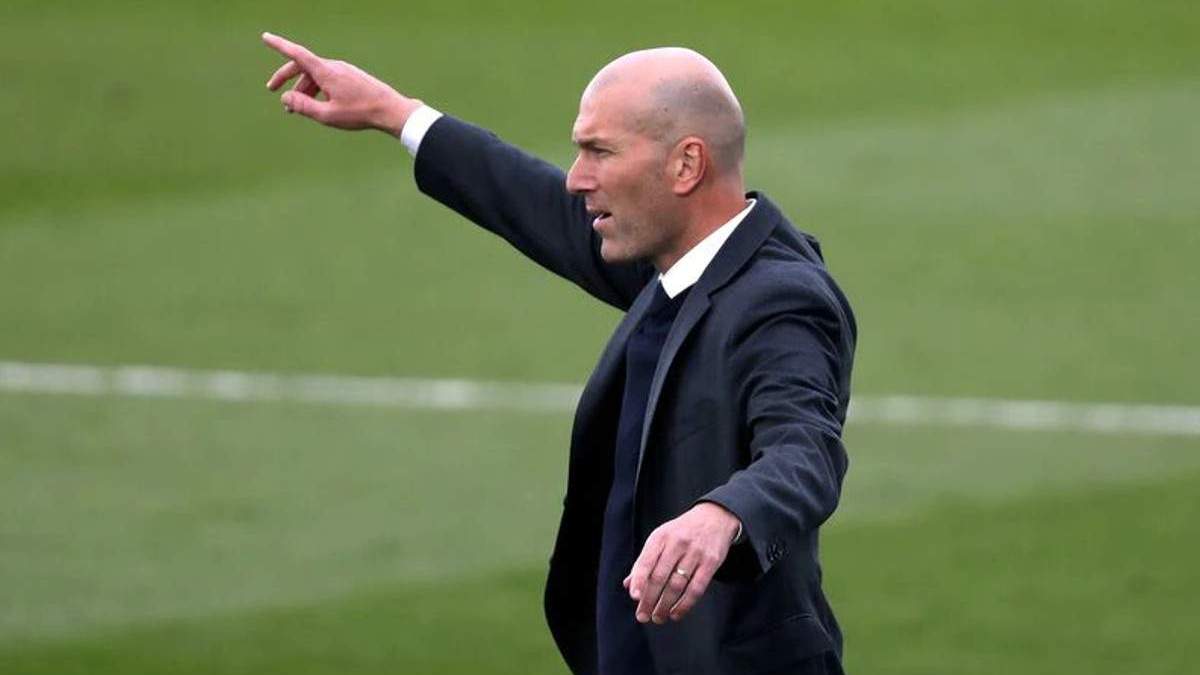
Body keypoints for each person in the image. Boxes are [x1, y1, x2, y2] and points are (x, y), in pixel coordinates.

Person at [261, 32, 857, 675]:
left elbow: (805, 449)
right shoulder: (684, 263)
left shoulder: (780, 302)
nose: (578, 179)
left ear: (686, 166)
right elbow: (538, 204)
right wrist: (394, 113)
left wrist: (723, 513)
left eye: (599, 151)